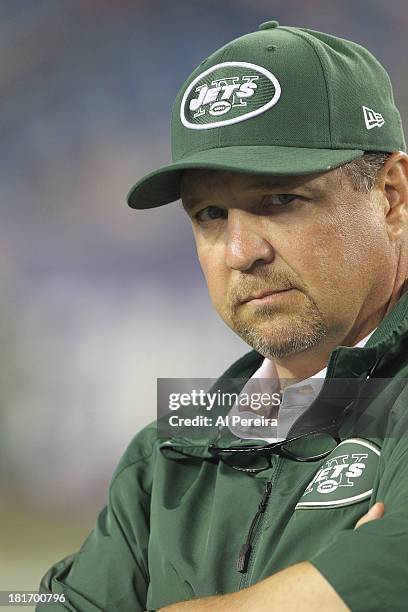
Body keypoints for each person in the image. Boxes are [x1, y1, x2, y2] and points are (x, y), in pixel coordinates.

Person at [38, 20, 408, 612]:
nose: (241, 252)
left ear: (390, 195)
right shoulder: (168, 456)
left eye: (280, 199)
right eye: (210, 214)